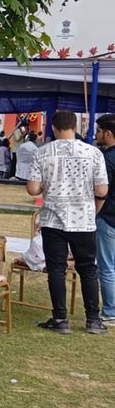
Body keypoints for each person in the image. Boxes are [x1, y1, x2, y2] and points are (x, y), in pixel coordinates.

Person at [26, 111, 109, 334]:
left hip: (53, 219)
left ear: (53, 128)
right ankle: (93, 319)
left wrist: (47, 185)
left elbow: (33, 189)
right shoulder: (93, 153)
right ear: (75, 127)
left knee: (56, 269)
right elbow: (102, 190)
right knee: (88, 269)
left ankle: (60, 318)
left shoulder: (42, 153)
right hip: (83, 219)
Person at [92, 114, 115, 322]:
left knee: (106, 266)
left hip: (108, 216)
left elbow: (102, 191)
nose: (96, 134)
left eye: (98, 131)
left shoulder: (106, 159)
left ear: (108, 133)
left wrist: (94, 213)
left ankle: (110, 310)